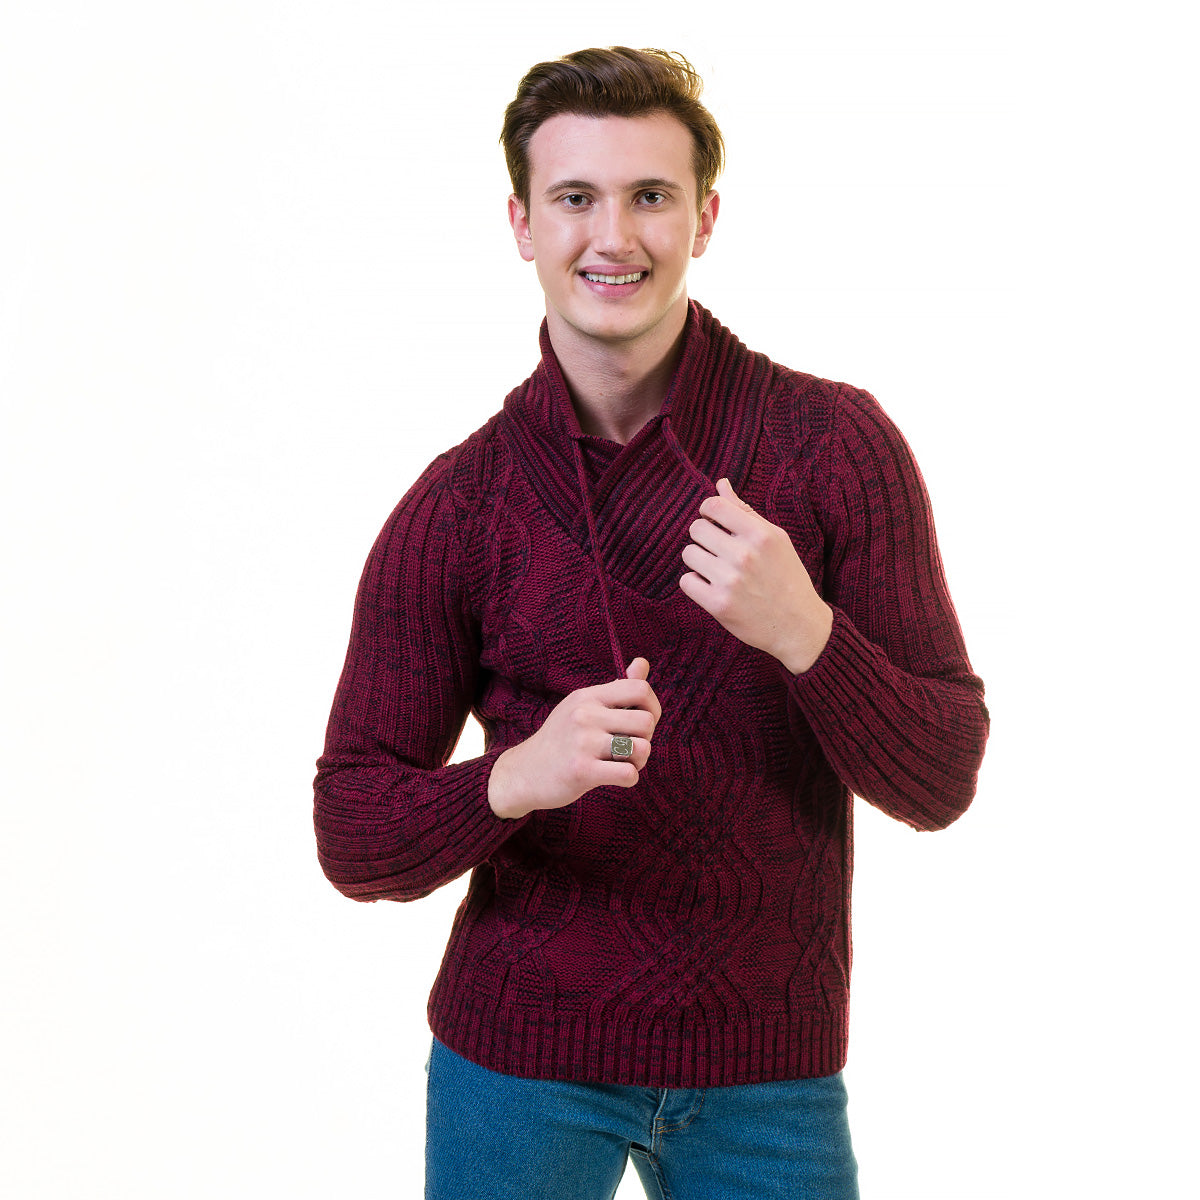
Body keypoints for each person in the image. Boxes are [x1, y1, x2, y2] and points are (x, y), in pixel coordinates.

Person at [314, 45, 989, 1200]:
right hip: (520, 1058)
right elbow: (352, 825)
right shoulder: (459, 507)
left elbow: (940, 777)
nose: (613, 235)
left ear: (706, 217)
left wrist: (806, 633)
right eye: (576, 197)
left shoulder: (836, 450)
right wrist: (515, 777)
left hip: (768, 1068)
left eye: (651, 196)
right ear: (523, 223)